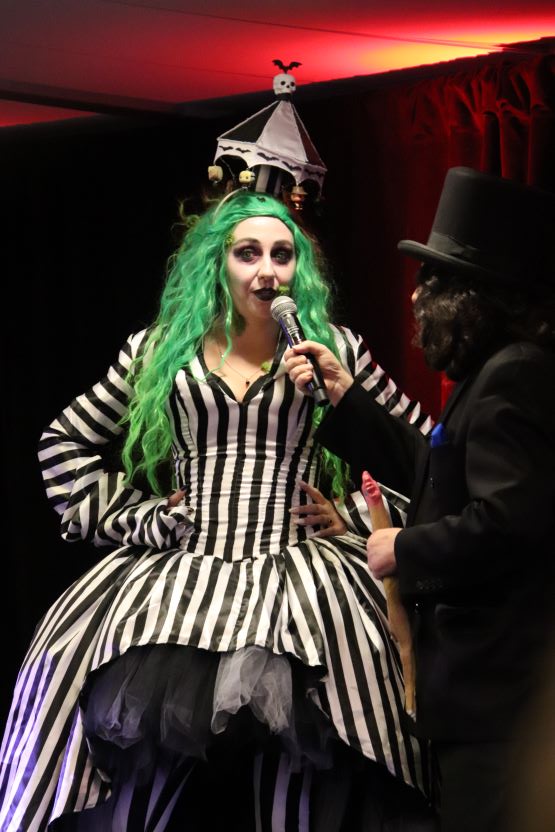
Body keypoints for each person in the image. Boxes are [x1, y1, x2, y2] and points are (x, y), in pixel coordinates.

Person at [0, 190, 438, 832]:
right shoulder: (160, 350)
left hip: (302, 580)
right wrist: (140, 517)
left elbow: (425, 454)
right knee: (142, 762)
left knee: (316, 761)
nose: (268, 271)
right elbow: (61, 444)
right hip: (184, 575)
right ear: (217, 263)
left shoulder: (332, 349)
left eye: (282, 255)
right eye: (248, 253)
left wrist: (351, 510)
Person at [284, 166, 555, 832]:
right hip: (478, 699)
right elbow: (434, 470)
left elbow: (510, 523)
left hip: (500, 698)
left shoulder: (514, 375)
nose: (415, 298)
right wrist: (347, 399)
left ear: (473, 297)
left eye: (432, 282)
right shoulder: (487, 375)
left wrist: (402, 547)